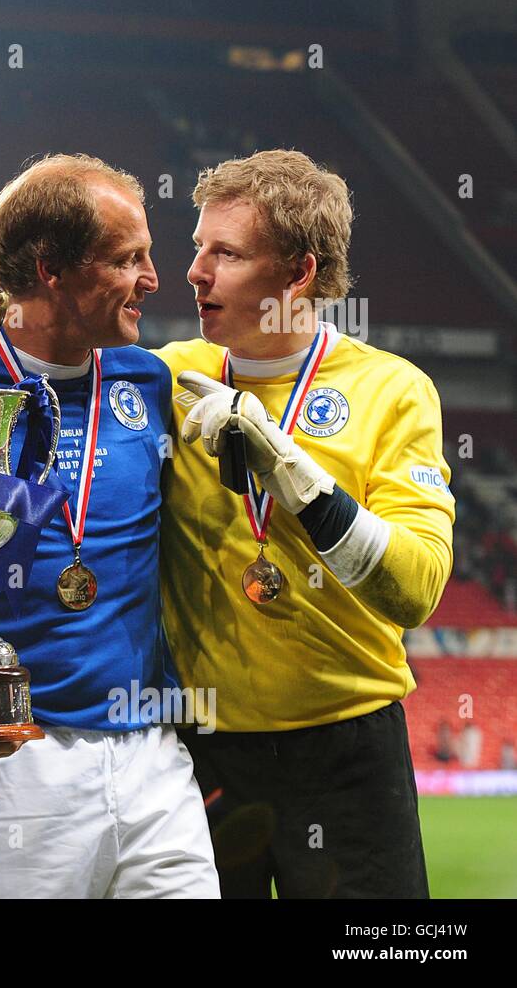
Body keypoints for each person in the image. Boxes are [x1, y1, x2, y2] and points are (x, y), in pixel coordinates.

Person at [0, 154, 218, 898]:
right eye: (127, 258)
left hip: (149, 752)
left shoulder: (150, 379)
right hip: (2, 759)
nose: (153, 278)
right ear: (50, 268)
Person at [164, 150, 454, 897]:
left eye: (224, 253)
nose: (195, 271)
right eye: (198, 247)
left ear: (298, 273)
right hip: (203, 752)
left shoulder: (391, 390)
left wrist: (295, 476)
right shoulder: (163, 376)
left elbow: (416, 587)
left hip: (347, 754)